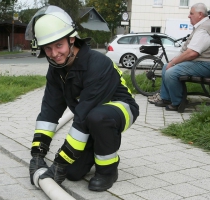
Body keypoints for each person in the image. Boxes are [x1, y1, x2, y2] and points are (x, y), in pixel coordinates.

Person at [26, 5, 139, 191]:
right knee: (72, 173)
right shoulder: (56, 70)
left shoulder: (97, 63)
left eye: (59, 45)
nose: (54, 54)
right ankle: (96, 147)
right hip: (87, 116)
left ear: (71, 40)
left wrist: (59, 162)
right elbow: (49, 111)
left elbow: (83, 115)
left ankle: (108, 170)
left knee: (97, 118)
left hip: (119, 109)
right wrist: (37, 155)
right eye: (48, 49)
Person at [148, 3, 210, 111]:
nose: (188, 16)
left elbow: (192, 53)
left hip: (205, 64)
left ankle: (178, 102)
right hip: (198, 63)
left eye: (191, 13)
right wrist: (174, 61)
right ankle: (166, 98)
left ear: (200, 14)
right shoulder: (201, 26)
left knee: (171, 72)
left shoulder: (204, 29)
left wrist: (174, 62)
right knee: (166, 67)